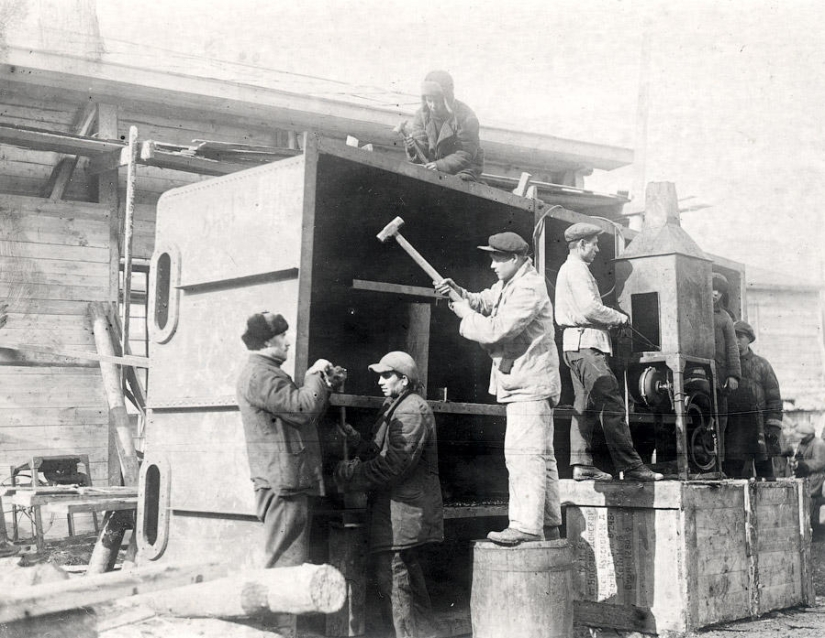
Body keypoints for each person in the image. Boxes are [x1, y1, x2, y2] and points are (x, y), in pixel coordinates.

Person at [434, 231, 562, 545]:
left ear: (515, 258)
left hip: (529, 385)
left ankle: (526, 527)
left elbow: (496, 330)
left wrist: (465, 315)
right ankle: (547, 526)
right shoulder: (511, 282)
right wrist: (459, 293)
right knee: (541, 458)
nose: (492, 265)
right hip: (528, 383)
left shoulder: (528, 287)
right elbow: (485, 301)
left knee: (523, 456)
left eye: (497, 258)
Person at [334, 351, 443, 638]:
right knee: (409, 587)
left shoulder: (410, 410)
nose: (380, 381)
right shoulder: (396, 406)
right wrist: (357, 441)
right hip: (397, 514)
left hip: (403, 515)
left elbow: (394, 465)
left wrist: (351, 474)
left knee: (396, 585)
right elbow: (381, 452)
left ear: (404, 380)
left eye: (387, 375)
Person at [555, 222, 662, 482]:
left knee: (585, 406)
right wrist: (619, 318)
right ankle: (632, 466)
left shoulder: (570, 269)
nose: (597, 249)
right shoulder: (577, 270)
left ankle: (582, 465)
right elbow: (590, 308)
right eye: (594, 244)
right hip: (587, 346)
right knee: (612, 403)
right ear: (581, 244)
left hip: (575, 345)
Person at [236, 311, 343, 570]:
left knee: (286, 562)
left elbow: (302, 416)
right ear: (266, 341)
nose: (287, 341)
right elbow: (302, 409)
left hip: (286, 481)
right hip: (282, 484)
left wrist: (325, 386)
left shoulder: (267, 373)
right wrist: (314, 376)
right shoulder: (262, 376)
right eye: (282, 335)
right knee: (284, 566)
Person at [726, 320, 783, 478]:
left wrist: (773, 427)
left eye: (740, 337)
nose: (736, 340)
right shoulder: (725, 366)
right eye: (733, 337)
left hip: (759, 427)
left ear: (749, 339)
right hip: (734, 428)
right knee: (732, 474)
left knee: (766, 474)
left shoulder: (762, 365)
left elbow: (774, 398)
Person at [404, 70, 484, 181]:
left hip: (463, 169)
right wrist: (413, 147)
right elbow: (422, 152)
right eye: (429, 101)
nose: (433, 106)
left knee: (458, 183)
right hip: (432, 166)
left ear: (447, 99)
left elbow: (466, 152)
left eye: (438, 101)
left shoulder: (466, 117)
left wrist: (440, 166)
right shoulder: (421, 116)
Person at [712, 273, 741, 469]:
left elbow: (732, 347)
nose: (715, 294)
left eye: (719, 291)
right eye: (712, 289)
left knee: (720, 421)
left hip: (720, 377)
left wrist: (733, 375)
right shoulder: (693, 311)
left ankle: (718, 467)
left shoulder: (724, 317)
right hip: (697, 375)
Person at [791, 422, 825, 510]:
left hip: (816, 479)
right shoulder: (802, 443)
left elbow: (819, 463)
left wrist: (802, 464)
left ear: (809, 435)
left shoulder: (818, 443)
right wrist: (796, 462)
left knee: (812, 505)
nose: (801, 438)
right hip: (804, 478)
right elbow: (799, 458)